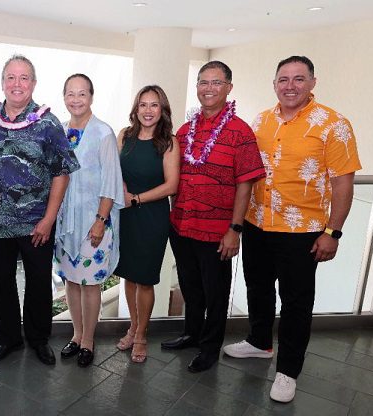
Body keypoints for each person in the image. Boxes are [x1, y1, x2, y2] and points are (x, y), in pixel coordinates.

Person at [223, 56, 361, 403]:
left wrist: (334, 231)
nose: (290, 86)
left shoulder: (333, 124)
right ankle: (259, 342)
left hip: (302, 230)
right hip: (257, 223)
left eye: (298, 79)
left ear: (312, 82)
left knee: (296, 302)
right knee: (257, 288)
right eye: (283, 79)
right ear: (274, 84)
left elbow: (343, 183)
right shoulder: (262, 120)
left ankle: (287, 371)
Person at [0, 55, 80, 365]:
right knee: (0, 280)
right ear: (3, 82)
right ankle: (8, 340)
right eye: (10, 77)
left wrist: (48, 219)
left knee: (37, 282)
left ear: (33, 83)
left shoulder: (47, 123)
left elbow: (62, 172)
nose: (16, 84)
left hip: (37, 223)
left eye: (23, 78)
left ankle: (38, 339)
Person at [160, 61, 265, 373]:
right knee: (190, 288)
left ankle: (209, 348)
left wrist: (235, 229)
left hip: (217, 232)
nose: (208, 88)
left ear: (229, 87)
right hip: (182, 225)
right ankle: (191, 333)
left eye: (216, 83)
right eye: (203, 82)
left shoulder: (240, 132)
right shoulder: (183, 130)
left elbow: (246, 184)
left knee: (215, 294)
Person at [54, 74, 123, 367]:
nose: (76, 99)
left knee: (90, 283)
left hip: (94, 221)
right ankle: (75, 334)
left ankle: (89, 340)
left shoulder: (103, 133)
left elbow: (111, 181)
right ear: (64, 97)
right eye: (70, 93)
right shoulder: (59, 130)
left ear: (91, 97)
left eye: (82, 94)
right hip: (65, 220)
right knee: (71, 280)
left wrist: (100, 220)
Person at [113, 85, 179, 363]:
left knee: (145, 279)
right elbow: (114, 171)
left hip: (151, 216)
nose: (148, 111)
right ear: (136, 108)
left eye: (154, 105)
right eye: (143, 105)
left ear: (162, 110)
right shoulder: (124, 136)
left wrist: (137, 198)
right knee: (128, 275)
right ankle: (131, 327)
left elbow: (171, 185)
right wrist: (123, 191)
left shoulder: (168, 142)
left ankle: (141, 334)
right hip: (125, 215)